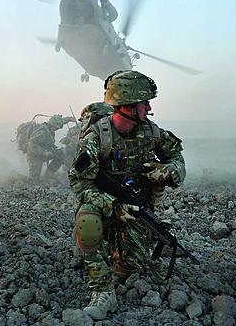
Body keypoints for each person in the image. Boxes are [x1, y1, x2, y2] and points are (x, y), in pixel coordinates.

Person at [69, 71, 185, 320]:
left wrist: (168, 170)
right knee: (88, 220)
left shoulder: (152, 133)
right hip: (107, 205)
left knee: (129, 269)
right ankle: (102, 291)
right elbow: (80, 184)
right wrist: (113, 205)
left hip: (137, 210)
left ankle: (113, 247)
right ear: (127, 105)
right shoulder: (97, 137)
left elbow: (177, 157)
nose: (149, 107)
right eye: (145, 102)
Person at [26, 115, 75, 183]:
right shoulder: (42, 132)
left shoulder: (50, 128)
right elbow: (31, 144)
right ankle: (20, 180)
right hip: (35, 156)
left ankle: (48, 176)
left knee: (61, 155)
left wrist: (69, 119)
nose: (57, 129)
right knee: (34, 180)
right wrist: (43, 152)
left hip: (46, 152)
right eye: (56, 128)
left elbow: (60, 120)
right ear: (52, 126)